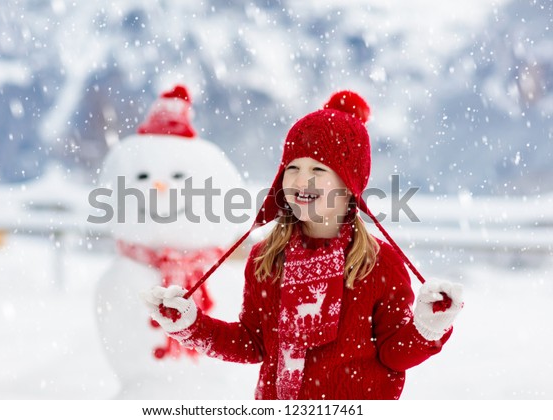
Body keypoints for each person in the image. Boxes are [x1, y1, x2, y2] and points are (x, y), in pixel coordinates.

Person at [140, 90, 463, 400]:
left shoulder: (380, 264)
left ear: (349, 183)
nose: (300, 179)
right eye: (292, 168)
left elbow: (394, 355)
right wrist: (192, 326)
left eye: (318, 169)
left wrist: (425, 330)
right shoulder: (265, 259)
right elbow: (253, 343)